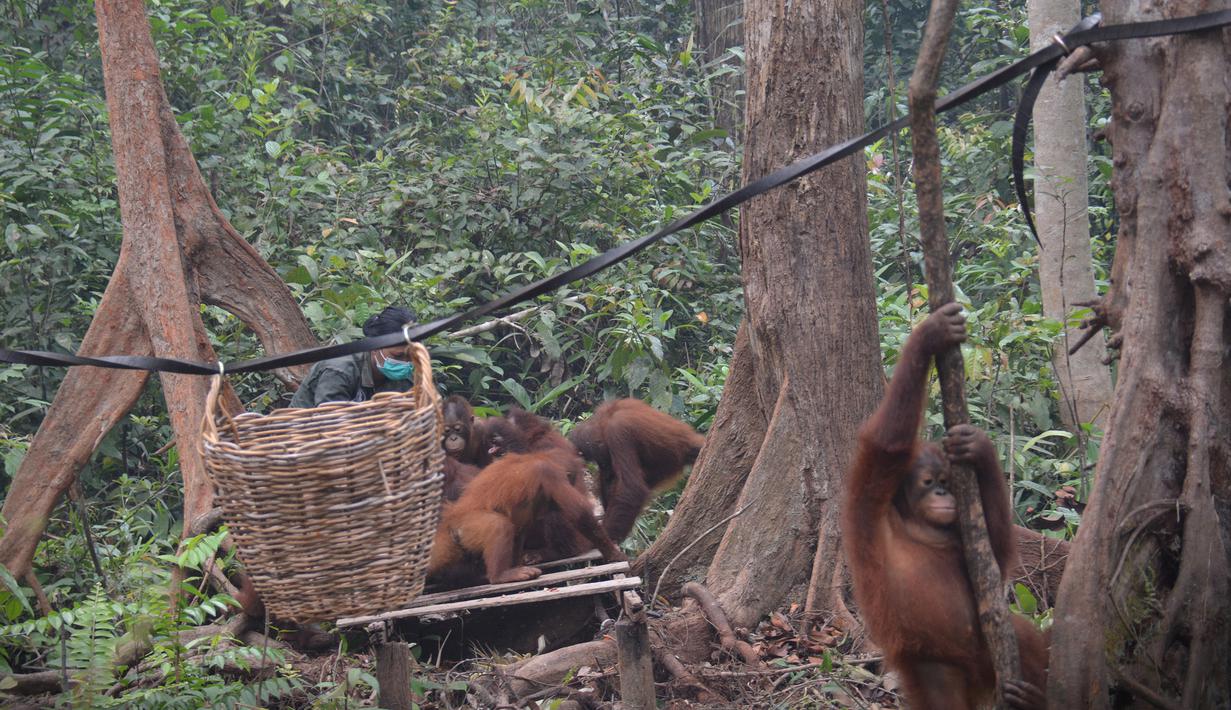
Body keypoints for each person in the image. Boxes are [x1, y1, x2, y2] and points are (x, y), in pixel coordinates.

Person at [289, 306, 418, 408]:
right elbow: (329, 424)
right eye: (398, 355)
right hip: (304, 433)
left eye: (411, 356)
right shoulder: (339, 370)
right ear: (375, 347)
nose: (406, 363)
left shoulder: (406, 377)